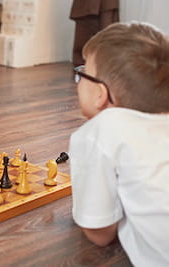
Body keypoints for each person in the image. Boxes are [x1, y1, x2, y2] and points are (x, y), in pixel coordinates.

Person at [69, 22, 169, 266]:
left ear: (101, 95)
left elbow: (100, 233)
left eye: (82, 73)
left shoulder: (103, 130)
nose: (78, 79)